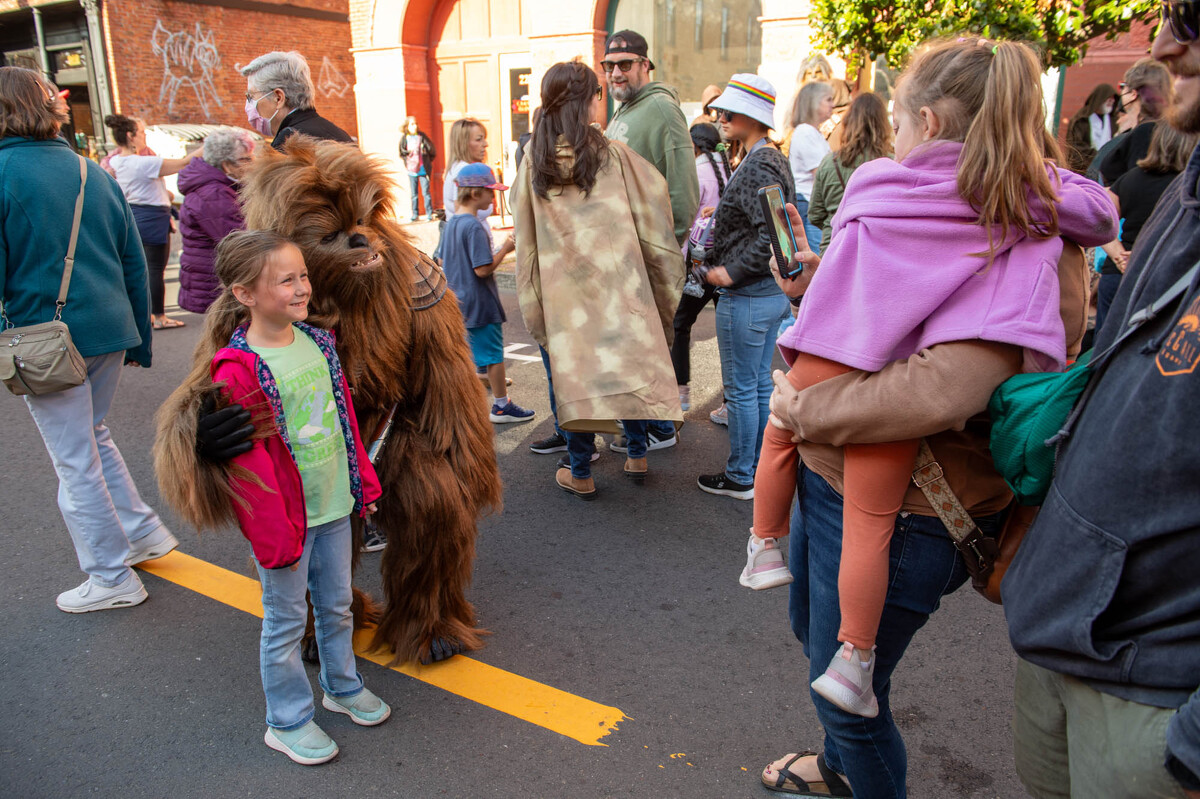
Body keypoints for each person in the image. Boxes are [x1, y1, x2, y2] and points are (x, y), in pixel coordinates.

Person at [756, 39, 1112, 797]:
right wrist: (826, 286)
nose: (894, 146)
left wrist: (802, 407)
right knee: (817, 642)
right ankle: (839, 763)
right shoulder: (942, 205)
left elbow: (939, 390)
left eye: (899, 130)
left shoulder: (1025, 232)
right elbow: (906, 303)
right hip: (836, 471)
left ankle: (851, 764)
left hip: (919, 505)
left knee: (850, 693)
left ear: (925, 119)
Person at [1003, 17, 1200, 798]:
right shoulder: (1191, 184)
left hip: (1157, 690)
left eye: (1187, 15)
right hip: (1066, 634)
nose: (1166, 43)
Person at [206, 229, 389, 765]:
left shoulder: (317, 342)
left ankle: (342, 686)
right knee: (285, 621)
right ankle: (286, 720)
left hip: (333, 505)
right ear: (244, 294)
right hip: (285, 522)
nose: (302, 287)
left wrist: (364, 486)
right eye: (286, 280)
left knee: (336, 605)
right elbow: (248, 468)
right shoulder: (236, 369)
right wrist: (270, 533)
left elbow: (345, 422)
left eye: (303, 275)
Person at [0, 67, 177, 612]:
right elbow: (130, 257)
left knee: (73, 455)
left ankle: (111, 575)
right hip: (109, 327)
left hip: (46, 334)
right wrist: (141, 337)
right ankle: (142, 532)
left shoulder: (5, 170)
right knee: (92, 436)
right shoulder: (90, 171)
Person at [512, 60, 684, 499]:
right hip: (617, 283)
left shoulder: (534, 159)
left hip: (564, 293)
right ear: (592, 100)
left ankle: (581, 472)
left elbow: (525, 234)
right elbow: (656, 205)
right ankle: (637, 452)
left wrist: (533, 293)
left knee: (575, 376)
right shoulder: (613, 154)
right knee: (624, 364)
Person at [695, 74, 793, 501]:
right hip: (766, 295)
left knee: (743, 390)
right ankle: (753, 472)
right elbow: (778, 232)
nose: (720, 117)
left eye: (726, 111)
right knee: (756, 388)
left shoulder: (760, 163)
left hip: (749, 295)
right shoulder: (766, 158)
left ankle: (741, 475)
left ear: (747, 116)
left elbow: (776, 237)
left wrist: (728, 273)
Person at [602, 29, 700, 453]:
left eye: (625, 64)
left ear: (646, 65)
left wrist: (662, 249)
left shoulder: (661, 108)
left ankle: (659, 429)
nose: (616, 73)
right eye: (609, 66)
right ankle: (644, 426)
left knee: (646, 345)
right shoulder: (624, 110)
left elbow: (685, 191)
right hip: (620, 254)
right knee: (632, 345)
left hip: (642, 255)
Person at [440, 162, 531, 424]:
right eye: (490, 192)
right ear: (475, 193)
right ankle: (501, 405)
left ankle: (467, 406)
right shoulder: (474, 226)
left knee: (470, 358)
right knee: (493, 356)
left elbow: (440, 262)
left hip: (458, 302)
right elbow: (482, 269)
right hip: (481, 304)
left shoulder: (451, 224)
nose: (493, 198)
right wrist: (506, 248)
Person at [1095, 119, 1199, 335]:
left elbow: (1098, 219)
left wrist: (1119, 256)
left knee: (1101, 351)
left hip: (1117, 275)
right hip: (1159, 279)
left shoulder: (1130, 178)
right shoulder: (1188, 187)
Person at [105, 113, 203, 329]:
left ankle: (146, 315)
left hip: (133, 217)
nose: (144, 137)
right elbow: (183, 163)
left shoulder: (115, 162)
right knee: (155, 268)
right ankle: (158, 316)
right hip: (152, 219)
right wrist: (205, 149)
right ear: (131, 136)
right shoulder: (143, 163)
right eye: (142, 133)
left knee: (140, 268)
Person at [673, 122, 731, 412]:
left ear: (694, 145)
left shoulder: (697, 171)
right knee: (727, 333)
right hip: (726, 261)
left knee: (680, 323)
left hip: (698, 263)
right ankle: (729, 401)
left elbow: (685, 214)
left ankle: (680, 393)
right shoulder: (728, 168)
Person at [177, 128, 254, 314]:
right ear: (226, 165)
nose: (252, 164)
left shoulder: (217, 186)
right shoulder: (214, 194)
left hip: (211, 280)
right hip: (212, 284)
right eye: (246, 159)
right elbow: (239, 238)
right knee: (224, 336)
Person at [808, 91, 893, 253]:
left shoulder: (829, 162)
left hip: (833, 248)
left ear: (848, 122)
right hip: (873, 251)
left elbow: (815, 215)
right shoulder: (893, 163)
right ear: (883, 124)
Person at [240, 51, 352, 152]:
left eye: (251, 96)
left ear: (278, 98)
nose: (249, 105)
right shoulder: (340, 135)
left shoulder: (289, 142)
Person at [1098, 58, 1173, 184]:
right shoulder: (1159, 127)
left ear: (1133, 93)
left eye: (1123, 86)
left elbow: (1138, 184)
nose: (1120, 91)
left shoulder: (1146, 131)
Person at [786, 81, 834, 253]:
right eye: (828, 100)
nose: (832, 105)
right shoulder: (805, 132)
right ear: (814, 102)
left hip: (810, 201)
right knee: (817, 259)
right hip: (808, 202)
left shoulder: (812, 132)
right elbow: (823, 174)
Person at [1065, 83, 1118, 173]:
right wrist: (1098, 157)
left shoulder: (1114, 121)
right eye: (1109, 98)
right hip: (1084, 169)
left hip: (1106, 170)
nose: (1112, 101)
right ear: (1100, 98)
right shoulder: (1081, 119)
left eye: (1113, 98)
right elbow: (1075, 146)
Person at [399, 116, 436, 222]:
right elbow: (402, 152)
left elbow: (432, 150)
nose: (414, 126)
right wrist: (407, 161)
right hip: (412, 170)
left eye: (415, 124)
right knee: (414, 194)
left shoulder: (422, 136)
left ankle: (429, 213)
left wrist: (427, 161)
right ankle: (415, 214)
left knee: (426, 193)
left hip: (423, 170)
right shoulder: (405, 138)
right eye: (412, 124)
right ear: (407, 126)